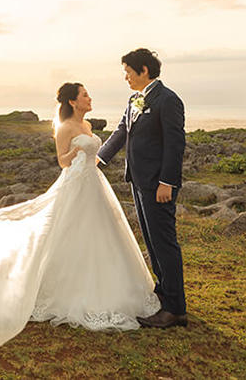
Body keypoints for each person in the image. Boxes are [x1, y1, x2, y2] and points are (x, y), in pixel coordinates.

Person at [24, 82, 160, 330]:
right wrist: (75, 151)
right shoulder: (64, 127)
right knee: (74, 233)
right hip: (77, 185)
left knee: (104, 233)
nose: (89, 98)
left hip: (95, 183)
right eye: (85, 95)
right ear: (73, 102)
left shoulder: (86, 125)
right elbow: (62, 162)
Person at [97, 48, 188, 328]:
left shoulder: (168, 100)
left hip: (157, 184)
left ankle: (175, 309)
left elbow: (175, 145)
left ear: (144, 70)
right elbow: (122, 131)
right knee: (151, 241)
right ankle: (163, 294)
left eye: (128, 72)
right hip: (137, 181)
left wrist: (167, 182)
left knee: (164, 243)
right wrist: (98, 159)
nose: (125, 77)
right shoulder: (135, 99)